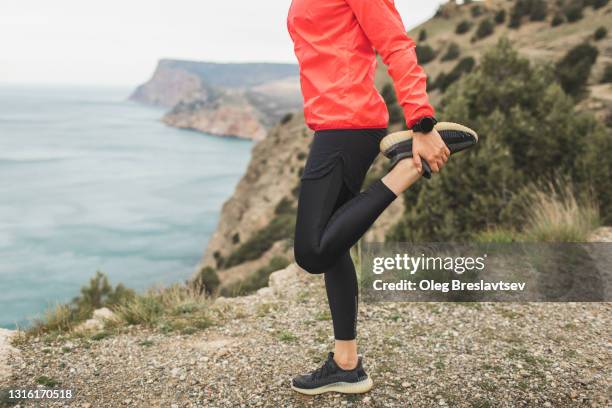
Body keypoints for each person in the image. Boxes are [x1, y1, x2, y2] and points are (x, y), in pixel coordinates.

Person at [286, 0, 474, 395]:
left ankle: (408, 167)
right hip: (335, 124)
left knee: (311, 251)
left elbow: (395, 43)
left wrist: (421, 122)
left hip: (346, 125)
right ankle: (346, 365)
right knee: (334, 247)